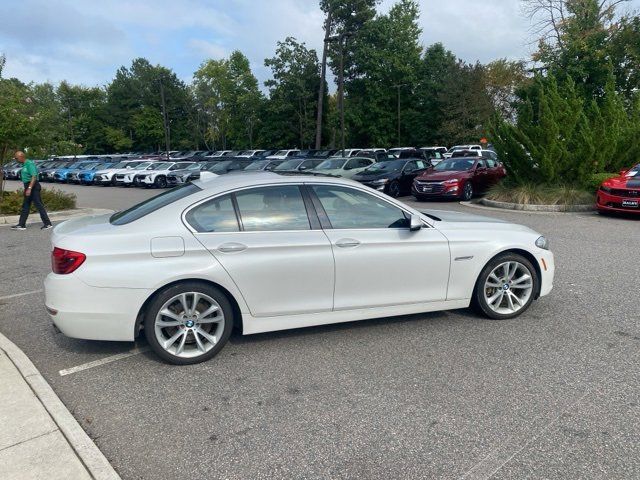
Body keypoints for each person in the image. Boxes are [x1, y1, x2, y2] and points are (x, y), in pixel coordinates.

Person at [11, 151, 52, 230]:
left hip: (33, 186)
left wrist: (29, 188)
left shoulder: (29, 164)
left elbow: (34, 176)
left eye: (16, 158)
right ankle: (21, 224)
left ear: (21, 157)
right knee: (26, 205)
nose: (16, 160)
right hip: (28, 186)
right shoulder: (24, 164)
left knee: (38, 205)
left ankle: (48, 223)